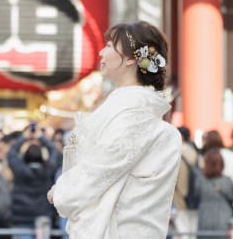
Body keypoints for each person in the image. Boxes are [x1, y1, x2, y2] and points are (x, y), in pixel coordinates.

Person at [47, 21, 181, 238]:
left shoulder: (135, 116)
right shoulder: (132, 111)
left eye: (109, 45)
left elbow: (100, 168)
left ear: (130, 59)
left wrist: (62, 191)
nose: (101, 52)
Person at [8, 125, 59, 239]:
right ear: (41, 156)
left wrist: (24, 137)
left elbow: (11, 154)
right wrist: (41, 137)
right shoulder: (48, 169)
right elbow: (54, 151)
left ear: (25, 156)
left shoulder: (19, 169)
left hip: (21, 216)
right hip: (43, 216)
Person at [196, 149, 233, 239]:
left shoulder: (200, 181)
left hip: (204, 220)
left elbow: (196, 197)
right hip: (223, 221)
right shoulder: (227, 181)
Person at [172, 126, 200, 237]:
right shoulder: (195, 153)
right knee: (193, 232)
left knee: (182, 231)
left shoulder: (175, 152)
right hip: (195, 198)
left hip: (180, 198)